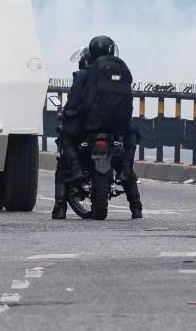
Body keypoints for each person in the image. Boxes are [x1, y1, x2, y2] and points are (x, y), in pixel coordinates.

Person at [65, 35, 142, 219]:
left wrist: (69, 114)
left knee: (65, 135)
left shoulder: (85, 73)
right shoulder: (120, 69)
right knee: (129, 143)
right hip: (118, 125)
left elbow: (74, 102)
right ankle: (136, 206)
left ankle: (75, 170)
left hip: (91, 125)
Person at [51, 49, 93, 219]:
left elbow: (73, 102)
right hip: (113, 127)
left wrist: (65, 113)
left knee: (63, 158)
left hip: (84, 127)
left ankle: (60, 207)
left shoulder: (82, 76)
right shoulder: (114, 75)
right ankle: (135, 204)